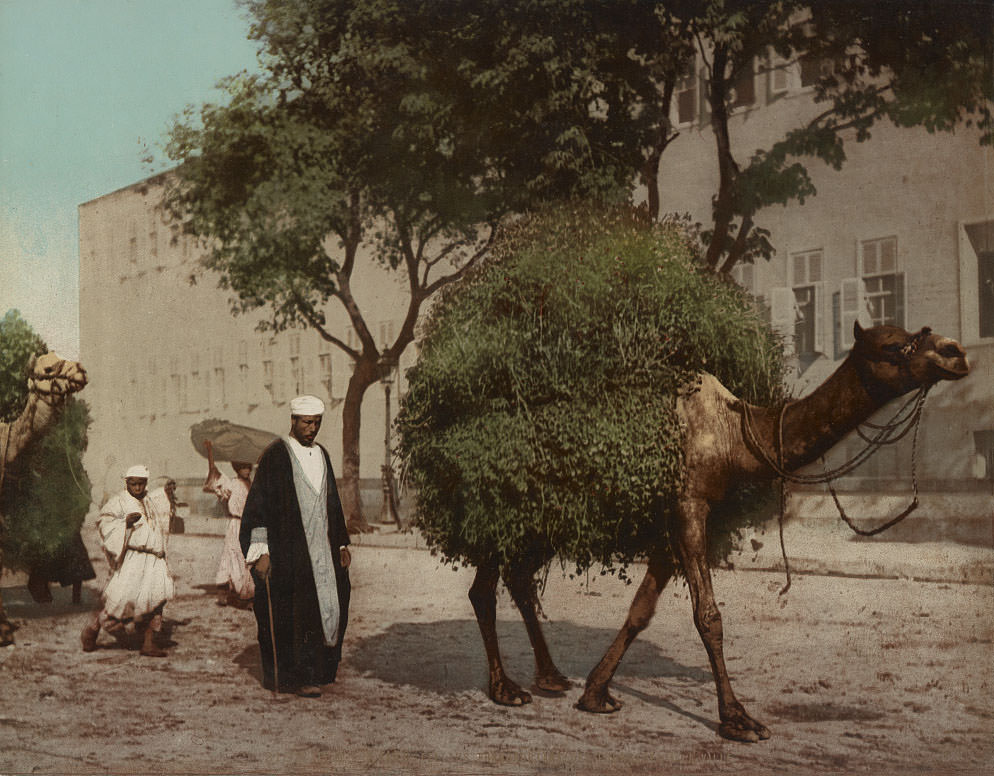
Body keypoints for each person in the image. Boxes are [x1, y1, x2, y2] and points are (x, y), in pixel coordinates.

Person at [240, 395, 351, 698]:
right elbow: (259, 506)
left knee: (324, 608)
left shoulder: (322, 454)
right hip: (289, 551)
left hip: (323, 549)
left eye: (316, 423)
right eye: (306, 422)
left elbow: (333, 502)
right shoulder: (276, 456)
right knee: (294, 612)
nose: (312, 428)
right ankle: (293, 677)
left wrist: (341, 543)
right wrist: (261, 551)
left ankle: (318, 672)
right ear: (293, 421)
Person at [80, 464, 174, 657]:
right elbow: (103, 522)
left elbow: (164, 507)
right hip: (134, 557)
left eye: (141, 484)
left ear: (146, 483)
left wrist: (168, 489)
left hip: (154, 558)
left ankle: (149, 643)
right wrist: (124, 523)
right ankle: (92, 631)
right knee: (122, 600)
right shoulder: (119, 502)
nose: (137, 488)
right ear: (127, 483)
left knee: (157, 600)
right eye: (133, 484)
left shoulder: (151, 501)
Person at [203, 440, 255, 608]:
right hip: (236, 525)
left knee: (248, 558)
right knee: (235, 556)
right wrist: (210, 452)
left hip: (250, 526)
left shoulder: (253, 485)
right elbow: (214, 474)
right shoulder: (232, 484)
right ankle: (240, 595)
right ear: (237, 469)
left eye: (248, 467)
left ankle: (240, 591)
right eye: (243, 468)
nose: (246, 471)